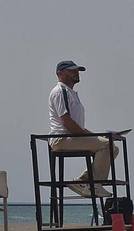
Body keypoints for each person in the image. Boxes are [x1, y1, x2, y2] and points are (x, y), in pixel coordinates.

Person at [47, 60, 116, 196]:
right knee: (107, 146)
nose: (76, 73)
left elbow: (76, 126)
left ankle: (82, 181)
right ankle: (94, 185)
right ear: (60, 73)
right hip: (62, 139)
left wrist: (95, 136)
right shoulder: (60, 91)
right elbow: (66, 121)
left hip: (71, 136)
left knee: (112, 148)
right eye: (72, 70)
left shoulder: (70, 93)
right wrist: (92, 137)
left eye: (77, 70)